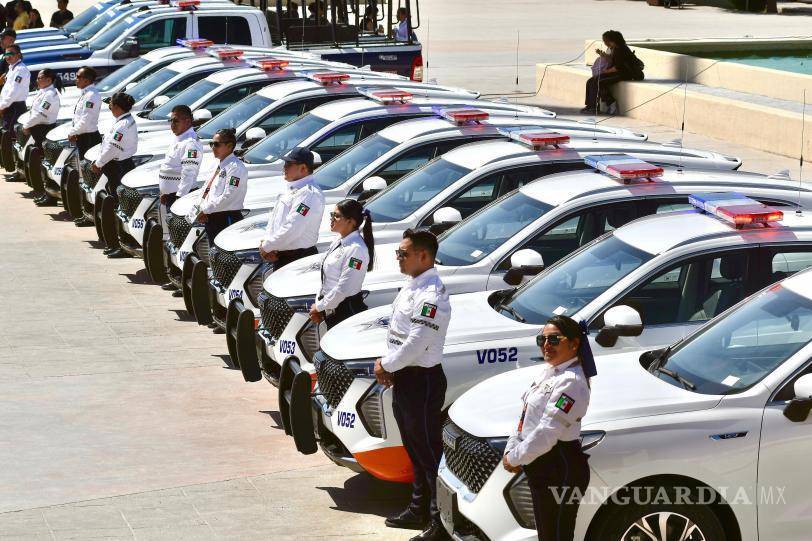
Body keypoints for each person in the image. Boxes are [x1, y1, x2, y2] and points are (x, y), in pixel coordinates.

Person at [374, 229, 451, 541]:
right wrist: (390, 364)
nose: (398, 258)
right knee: (414, 448)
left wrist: (387, 364)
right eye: (398, 253)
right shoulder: (413, 286)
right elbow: (399, 332)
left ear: (424, 256)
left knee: (428, 452)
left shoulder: (431, 295)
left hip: (422, 381)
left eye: (403, 253)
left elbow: (418, 342)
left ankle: (439, 521)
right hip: (406, 378)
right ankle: (418, 508)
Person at [501, 315, 595, 541]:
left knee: (556, 535)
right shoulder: (549, 372)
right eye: (541, 339)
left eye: (554, 340)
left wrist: (515, 458)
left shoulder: (571, 382)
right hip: (543, 465)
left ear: (574, 344)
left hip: (560, 469)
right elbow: (526, 415)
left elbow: (547, 433)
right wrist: (512, 447)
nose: (546, 345)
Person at [308, 199, 373, 329]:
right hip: (332, 308)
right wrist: (321, 305)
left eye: (337, 216)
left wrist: (320, 306)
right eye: (332, 215)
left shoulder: (356, 249)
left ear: (351, 221)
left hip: (346, 311)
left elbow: (344, 288)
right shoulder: (339, 240)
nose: (332, 219)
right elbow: (326, 279)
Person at [158, 104, 202, 291]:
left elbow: (188, 174)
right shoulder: (179, 139)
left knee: (182, 241)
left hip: (179, 201)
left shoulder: (190, 143)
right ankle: (176, 277)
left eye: (175, 120)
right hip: (171, 198)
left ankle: (184, 282)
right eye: (171, 120)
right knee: (174, 240)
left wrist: (180, 200)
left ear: (187, 121)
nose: (172, 124)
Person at [258, 146, 325, 271]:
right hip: (283, 256)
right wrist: (267, 242)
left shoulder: (308, 194)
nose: (284, 168)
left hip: (297, 258)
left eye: (289, 164)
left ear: (303, 168)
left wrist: (266, 247)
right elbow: (275, 220)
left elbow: (293, 227)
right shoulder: (291, 188)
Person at [92, 92, 137, 258]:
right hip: (118, 166)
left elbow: (112, 148)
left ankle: (122, 245)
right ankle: (120, 243)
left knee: (119, 207)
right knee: (117, 205)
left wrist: (98, 163)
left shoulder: (122, 125)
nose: (109, 107)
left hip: (118, 167)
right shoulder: (123, 121)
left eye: (111, 104)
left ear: (117, 107)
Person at [195, 128, 247, 245]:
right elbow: (206, 189)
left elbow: (229, 196)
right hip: (212, 217)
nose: (213, 147)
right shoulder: (218, 164)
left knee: (224, 257)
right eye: (211, 144)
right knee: (213, 255)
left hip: (226, 218)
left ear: (229, 146)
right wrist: (200, 208)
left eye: (217, 144)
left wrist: (205, 210)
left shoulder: (235, 167)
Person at [583, 30, 644, 115]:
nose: (604, 43)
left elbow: (618, 67)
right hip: (617, 72)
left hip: (624, 74)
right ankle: (590, 105)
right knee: (590, 81)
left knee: (598, 81)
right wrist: (603, 55)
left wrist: (605, 71)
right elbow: (612, 60)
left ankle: (610, 102)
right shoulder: (615, 48)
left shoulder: (621, 49)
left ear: (612, 40)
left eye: (605, 41)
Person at [23, 68, 62, 204]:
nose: (37, 80)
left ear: (48, 80)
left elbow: (40, 114)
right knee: (44, 163)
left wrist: (26, 125)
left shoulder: (50, 95)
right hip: (39, 130)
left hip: (44, 130)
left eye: (40, 78)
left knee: (47, 163)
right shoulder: (44, 92)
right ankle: (48, 193)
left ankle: (51, 196)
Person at [0, 43, 29, 179]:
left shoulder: (20, 70)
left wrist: (2, 107)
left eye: (11, 54)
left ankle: (20, 171)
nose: (8, 56)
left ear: (18, 55)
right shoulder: (12, 68)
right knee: (10, 139)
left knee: (13, 139)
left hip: (15, 108)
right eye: (6, 54)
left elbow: (13, 93)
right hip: (9, 107)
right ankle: (17, 170)